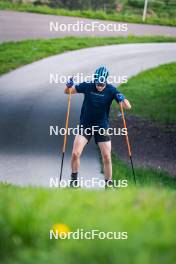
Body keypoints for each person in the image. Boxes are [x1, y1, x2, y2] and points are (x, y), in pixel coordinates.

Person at [64, 66, 131, 188]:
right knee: (75, 153)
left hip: (102, 127)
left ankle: (109, 185)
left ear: (105, 81)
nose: (99, 86)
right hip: (86, 125)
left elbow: (128, 106)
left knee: (106, 157)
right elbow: (68, 92)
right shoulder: (88, 86)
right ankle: (73, 182)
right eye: (97, 83)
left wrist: (123, 98)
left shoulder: (111, 90)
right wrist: (68, 86)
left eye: (101, 84)